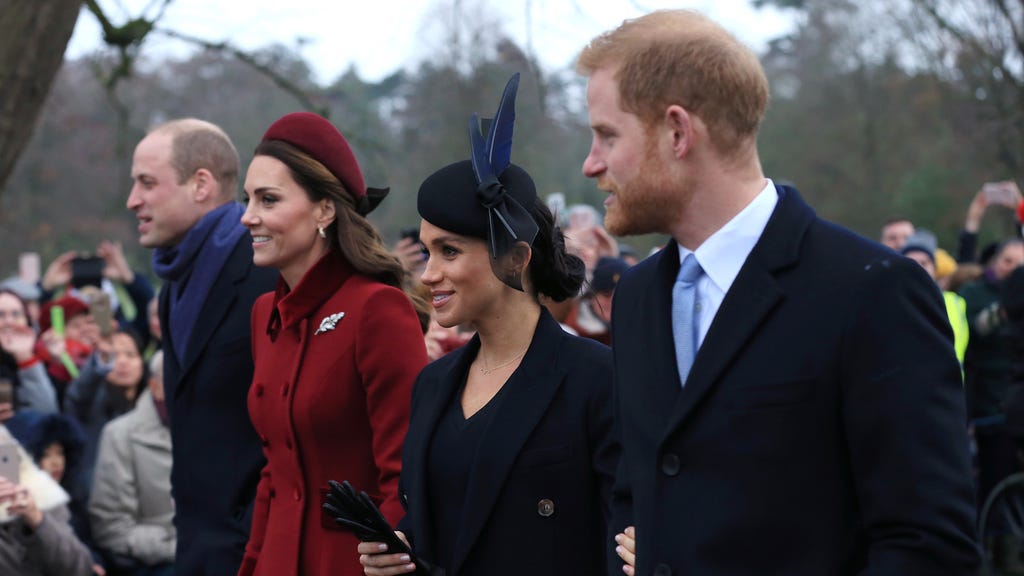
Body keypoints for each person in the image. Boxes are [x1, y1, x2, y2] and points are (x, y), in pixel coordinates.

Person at [577, 10, 979, 575]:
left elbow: (928, 547)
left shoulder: (872, 291)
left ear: (677, 132)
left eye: (606, 135)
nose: (591, 163)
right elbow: (634, 499)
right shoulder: (641, 297)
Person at [357, 74, 618, 576]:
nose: (428, 273)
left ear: (516, 257)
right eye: (428, 251)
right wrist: (399, 550)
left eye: (450, 251)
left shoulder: (595, 380)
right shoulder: (433, 384)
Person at [237, 112, 427, 576]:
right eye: (247, 199)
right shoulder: (266, 314)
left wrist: (391, 554)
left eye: (269, 199)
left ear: (324, 209)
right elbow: (275, 474)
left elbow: (405, 472)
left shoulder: (377, 309)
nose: (248, 217)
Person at [126, 118, 277, 575]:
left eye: (147, 183)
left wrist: (252, 528)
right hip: (196, 546)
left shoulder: (266, 275)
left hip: (257, 550)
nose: (133, 200)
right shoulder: (174, 285)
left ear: (201, 184)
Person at [90, 350, 174, 576]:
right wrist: (179, 545)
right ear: (155, 386)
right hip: (157, 563)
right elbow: (112, 529)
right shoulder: (119, 435)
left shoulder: (212, 430)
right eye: (177, 378)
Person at [0, 425, 93, 575]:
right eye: (46, 455)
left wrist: (37, 520)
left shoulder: (41, 495)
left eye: (3, 457)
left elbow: (80, 568)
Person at [0, 288, 59, 414]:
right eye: (1, 315)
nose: (9, 321)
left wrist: (25, 358)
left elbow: (47, 411)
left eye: (16, 314)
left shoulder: (42, 358)